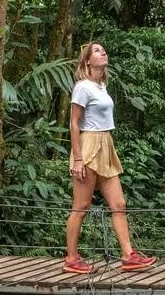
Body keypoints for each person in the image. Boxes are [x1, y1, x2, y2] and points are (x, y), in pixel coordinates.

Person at [63, 42, 157, 274]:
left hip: (106, 144)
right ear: (87, 61)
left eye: (104, 49)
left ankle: (128, 256)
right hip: (89, 145)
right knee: (82, 205)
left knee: (119, 204)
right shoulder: (82, 87)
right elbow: (74, 124)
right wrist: (77, 159)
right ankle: (71, 258)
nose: (103, 52)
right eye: (97, 50)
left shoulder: (101, 86)